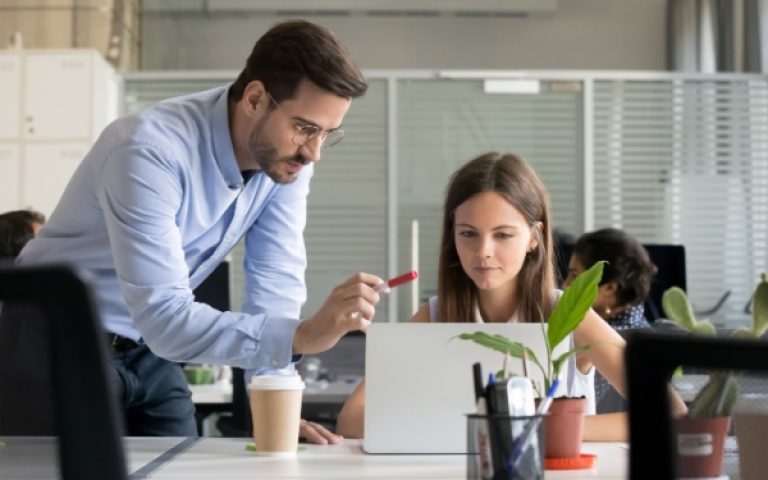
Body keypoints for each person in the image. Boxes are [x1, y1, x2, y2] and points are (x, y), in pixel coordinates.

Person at [0, 20, 380, 443]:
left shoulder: (286, 162)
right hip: (55, 341)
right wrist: (301, 335)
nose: (314, 153)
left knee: (185, 468)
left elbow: (274, 282)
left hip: (148, 351)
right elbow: (164, 312)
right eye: (306, 128)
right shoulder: (148, 150)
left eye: (327, 134)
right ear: (255, 98)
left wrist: (276, 400)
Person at [336, 152, 687, 441]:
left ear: (534, 237)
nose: (483, 252)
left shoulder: (567, 311)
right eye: (468, 234)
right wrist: (476, 429)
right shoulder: (434, 315)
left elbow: (670, 413)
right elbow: (351, 420)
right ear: (452, 235)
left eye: (503, 235)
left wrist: (538, 428)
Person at [565, 227, 656, 413]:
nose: (565, 284)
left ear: (609, 289)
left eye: (574, 276)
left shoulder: (605, 339)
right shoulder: (643, 330)